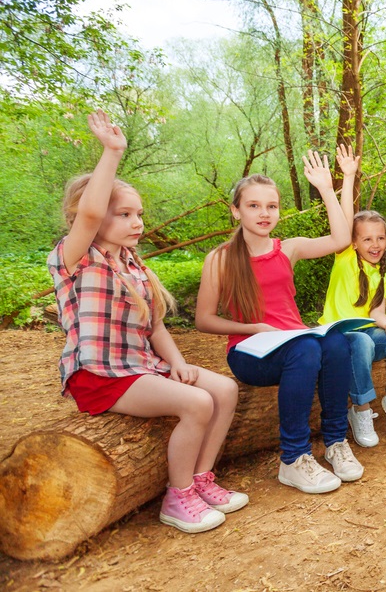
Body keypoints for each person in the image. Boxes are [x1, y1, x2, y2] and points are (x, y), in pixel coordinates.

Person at [49, 110, 245, 534]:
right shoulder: (77, 258)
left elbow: (154, 325)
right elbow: (88, 216)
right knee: (196, 403)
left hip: (142, 367)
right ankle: (178, 498)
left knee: (224, 390)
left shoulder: (134, 264)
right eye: (122, 214)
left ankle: (200, 478)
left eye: (139, 214)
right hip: (99, 374)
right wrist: (112, 152)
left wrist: (175, 361)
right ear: (92, 213)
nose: (137, 222)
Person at [195, 150, 363, 495]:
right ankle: (294, 458)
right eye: (254, 205)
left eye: (271, 206)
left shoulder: (287, 248)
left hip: (298, 345)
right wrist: (254, 328)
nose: (263, 213)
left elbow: (341, 240)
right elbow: (204, 320)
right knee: (305, 347)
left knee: (333, 341)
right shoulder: (220, 259)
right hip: (250, 352)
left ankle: (335, 443)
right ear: (236, 210)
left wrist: (328, 189)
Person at [318, 147, 386, 446]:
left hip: (369, 334)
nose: (375, 244)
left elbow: (376, 314)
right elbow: (345, 221)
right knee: (359, 340)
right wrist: (348, 176)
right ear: (354, 242)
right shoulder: (344, 258)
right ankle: (359, 408)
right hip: (336, 336)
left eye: (380, 238)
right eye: (367, 239)